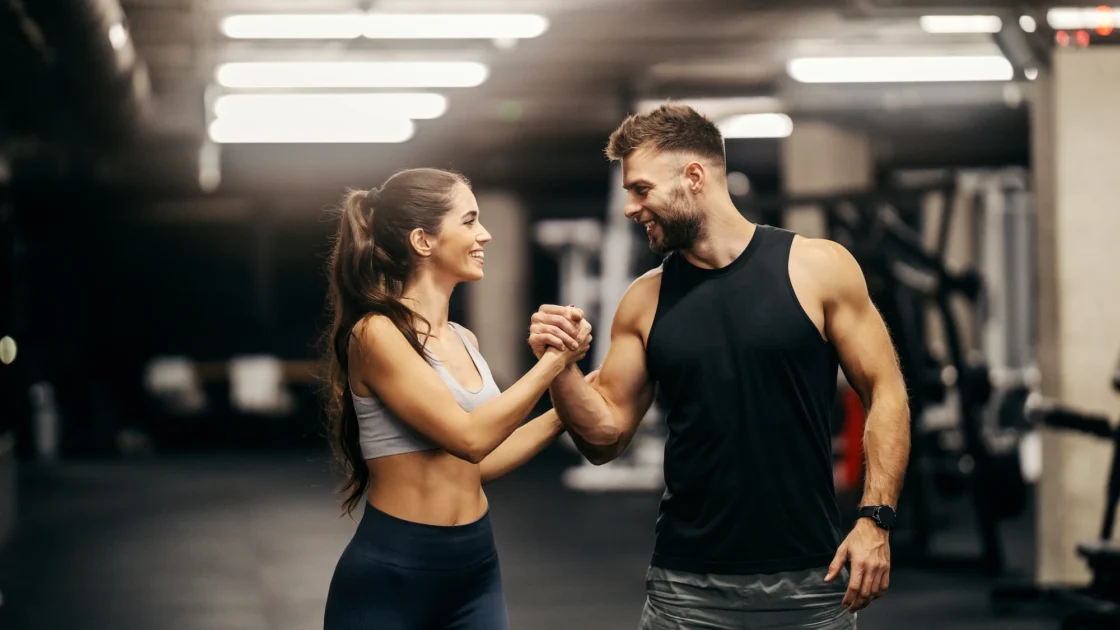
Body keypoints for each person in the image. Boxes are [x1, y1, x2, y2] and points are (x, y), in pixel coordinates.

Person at [529, 105, 911, 629]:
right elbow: (604, 439)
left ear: (694, 177)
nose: (630, 208)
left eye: (640, 189)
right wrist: (562, 368)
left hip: (810, 580)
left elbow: (885, 391)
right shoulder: (644, 301)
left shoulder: (818, 268)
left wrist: (876, 520)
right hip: (685, 587)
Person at [320, 167, 593, 630]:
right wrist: (553, 364)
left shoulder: (464, 338)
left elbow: (477, 465)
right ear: (423, 242)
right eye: (469, 221)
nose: (484, 234)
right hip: (394, 573)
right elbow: (469, 438)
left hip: (475, 565)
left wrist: (577, 403)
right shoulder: (377, 334)